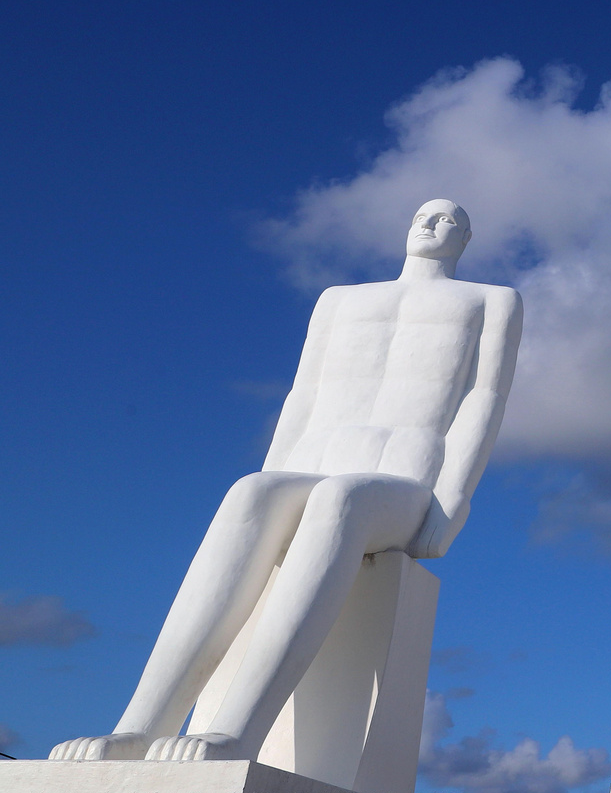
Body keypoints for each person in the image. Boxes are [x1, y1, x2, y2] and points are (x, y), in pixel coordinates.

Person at [51, 200, 522, 763]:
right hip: (315, 459)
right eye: (422, 214)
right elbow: (302, 394)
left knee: (340, 499)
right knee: (250, 493)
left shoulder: (491, 300)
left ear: (464, 238)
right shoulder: (340, 301)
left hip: (402, 481)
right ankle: (139, 727)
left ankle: (238, 730)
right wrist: (273, 473)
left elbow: (484, 400)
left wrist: (451, 504)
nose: (428, 223)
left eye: (446, 219)